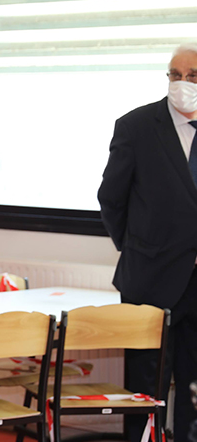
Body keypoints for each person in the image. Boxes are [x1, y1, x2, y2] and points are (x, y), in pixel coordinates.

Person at [99, 43, 197, 442]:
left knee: (193, 390)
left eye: (192, 76)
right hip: (150, 280)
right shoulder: (137, 126)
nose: (182, 84)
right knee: (144, 389)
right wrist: (137, 248)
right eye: (175, 75)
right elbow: (112, 198)